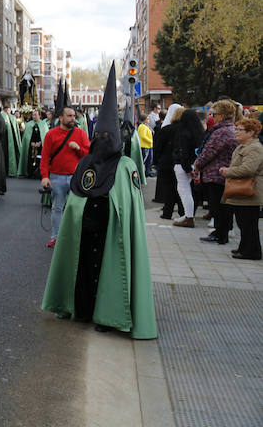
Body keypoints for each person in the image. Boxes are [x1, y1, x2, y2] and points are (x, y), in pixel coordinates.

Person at [41, 63, 157, 339]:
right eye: (99, 137)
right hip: (87, 229)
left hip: (111, 231)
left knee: (109, 270)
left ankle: (109, 313)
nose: (103, 140)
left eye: (108, 137)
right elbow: (77, 196)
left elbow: (129, 205)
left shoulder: (127, 165)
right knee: (82, 270)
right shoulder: (87, 163)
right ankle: (80, 308)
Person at [40, 106, 90, 247]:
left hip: (75, 177)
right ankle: (56, 237)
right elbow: (44, 158)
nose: (73, 118)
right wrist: (45, 176)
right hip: (56, 177)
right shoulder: (51, 135)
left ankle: (76, 238)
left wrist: (79, 149)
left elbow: (89, 155)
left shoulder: (80, 133)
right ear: (60, 118)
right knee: (57, 208)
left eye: (73, 116)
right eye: (69, 116)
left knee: (77, 209)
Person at [195, 100, 239, 245]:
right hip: (222, 173)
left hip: (216, 174)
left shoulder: (222, 132)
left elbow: (209, 152)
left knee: (218, 206)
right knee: (221, 206)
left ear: (221, 115)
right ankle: (220, 232)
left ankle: (220, 234)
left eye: (214, 114)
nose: (212, 117)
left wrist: (198, 165)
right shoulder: (230, 129)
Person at [221, 118, 263, 260]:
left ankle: (252, 251)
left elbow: (248, 169)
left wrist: (228, 172)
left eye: (240, 130)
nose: (236, 132)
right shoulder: (243, 146)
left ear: (251, 132)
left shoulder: (254, 148)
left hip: (250, 191)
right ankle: (244, 248)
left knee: (248, 223)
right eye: (236, 129)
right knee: (243, 222)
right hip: (242, 191)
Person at [172, 109, 204, 227]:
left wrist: (187, 169)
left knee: (184, 191)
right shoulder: (199, 133)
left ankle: (189, 217)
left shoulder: (183, 133)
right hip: (195, 163)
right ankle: (188, 215)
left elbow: (182, 152)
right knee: (190, 191)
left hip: (182, 165)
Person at [153, 104, 184, 220]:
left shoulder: (165, 129)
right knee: (182, 189)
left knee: (169, 189)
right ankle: (183, 212)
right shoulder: (185, 129)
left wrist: (156, 161)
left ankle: (167, 212)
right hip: (181, 162)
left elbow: (158, 147)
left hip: (166, 163)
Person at [18, 109, 49, 179]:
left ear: (39, 116)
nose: (34, 116)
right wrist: (31, 142)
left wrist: (40, 142)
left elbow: (45, 136)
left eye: (35, 115)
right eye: (33, 115)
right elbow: (26, 137)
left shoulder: (43, 124)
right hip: (31, 146)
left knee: (39, 159)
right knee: (30, 159)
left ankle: (39, 173)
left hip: (40, 146)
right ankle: (29, 173)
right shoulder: (29, 124)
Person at [2, 105, 22, 178]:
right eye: (9, 110)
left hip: (11, 140)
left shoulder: (12, 118)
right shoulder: (3, 116)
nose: (9, 112)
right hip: (5, 140)